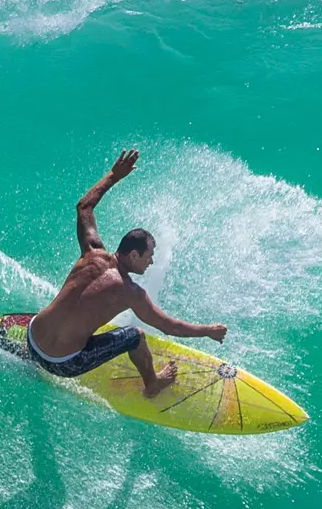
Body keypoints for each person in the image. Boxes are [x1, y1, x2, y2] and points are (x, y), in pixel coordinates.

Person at [22, 149, 227, 398]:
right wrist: (208, 330)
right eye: (149, 256)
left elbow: (84, 207)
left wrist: (114, 176)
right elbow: (168, 326)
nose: (151, 262)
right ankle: (153, 384)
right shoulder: (131, 293)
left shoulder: (91, 253)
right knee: (135, 335)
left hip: (31, 341)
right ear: (133, 255)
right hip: (62, 364)